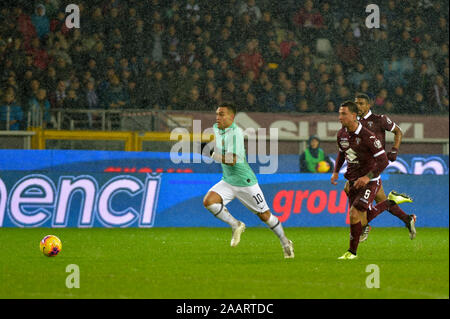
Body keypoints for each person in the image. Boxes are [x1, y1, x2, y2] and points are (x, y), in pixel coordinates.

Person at [203, 103, 294, 259]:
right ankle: (236, 225)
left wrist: (212, 155)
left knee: (265, 216)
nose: (217, 117)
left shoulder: (236, 134)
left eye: (221, 114)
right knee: (209, 201)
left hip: (245, 182)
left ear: (231, 117)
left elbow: (233, 160)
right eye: (217, 114)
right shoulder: (217, 128)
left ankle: (285, 242)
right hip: (228, 180)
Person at [331, 101, 413, 260]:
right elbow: (342, 153)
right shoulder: (341, 134)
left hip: (371, 179)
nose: (339, 117)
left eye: (343, 114)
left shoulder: (368, 135)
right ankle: (392, 203)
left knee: (355, 214)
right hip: (354, 180)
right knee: (359, 220)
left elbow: (383, 161)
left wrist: (367, 177)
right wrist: (336, 172)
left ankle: (352, 252)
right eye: (339, 113)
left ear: (353, 116)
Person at [354, 93, 417, 241]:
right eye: (356, 103)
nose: (358, 106)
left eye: (361, 103)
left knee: (353, 191)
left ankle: (364, 226)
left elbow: (398, 131)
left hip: (374, 165)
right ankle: (407, 219)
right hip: (361, 165)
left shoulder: (379, 119)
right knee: (381, 199)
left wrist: (394, 149)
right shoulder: (354, 122)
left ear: (369, 105)